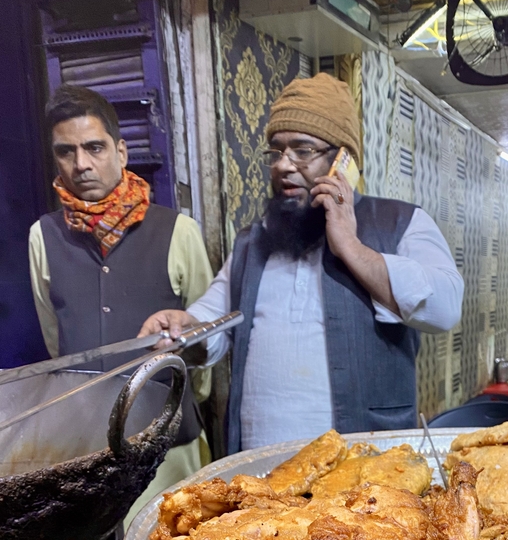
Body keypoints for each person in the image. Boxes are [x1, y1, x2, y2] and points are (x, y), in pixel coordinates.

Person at [138, 72, 463, 451]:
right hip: (260, 470)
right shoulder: (253, 241)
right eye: (276, 151)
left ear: (344, 160)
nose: (284, 165)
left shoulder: (401, 223)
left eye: (303, 150)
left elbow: (445, 309)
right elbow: (215, 324)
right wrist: (183, 327)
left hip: (363, 473)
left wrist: (350, 247)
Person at [28, 85, 214, 520]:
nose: (82, 164)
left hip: (171, 451)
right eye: (66, 152)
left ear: (122, 151)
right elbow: (58, 342)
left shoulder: (178, 231)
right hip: (85, 454)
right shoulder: (43, 237)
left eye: (94, 147)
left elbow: (208, 344)